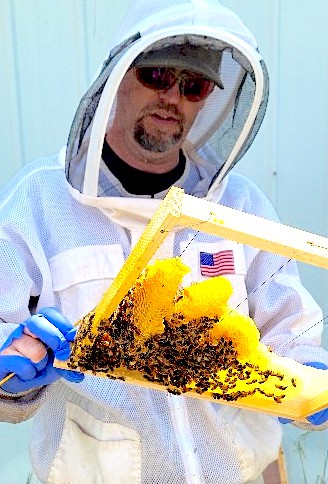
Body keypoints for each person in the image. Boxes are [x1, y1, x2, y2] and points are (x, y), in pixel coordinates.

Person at [0, 0, 327, 482]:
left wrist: (311, 381)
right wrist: (11, 378)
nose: (172, 98)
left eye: (193, 86)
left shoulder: (240, 205)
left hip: (241, 472)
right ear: (116, 78)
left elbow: (291, 329)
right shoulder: (38, 202)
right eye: (156, 76)